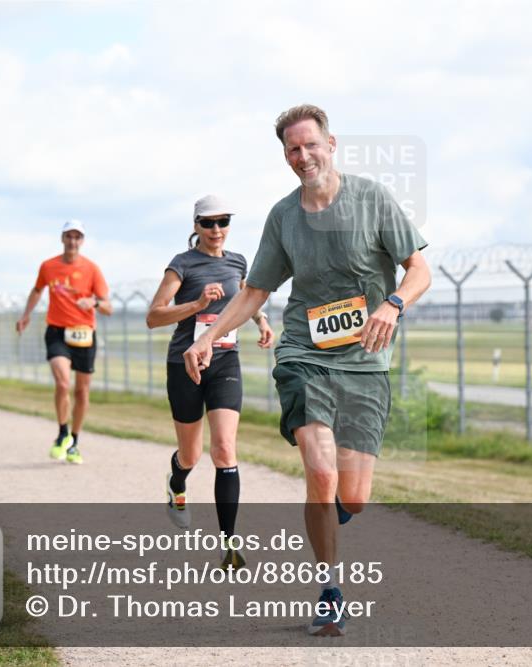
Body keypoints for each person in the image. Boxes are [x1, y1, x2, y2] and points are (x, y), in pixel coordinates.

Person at [183, 105, 431, 636]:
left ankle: (331, 513)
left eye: (310, 145)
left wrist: (392, 305)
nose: (303, 156)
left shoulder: (372, 199)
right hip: (304, 354)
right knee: (320, 474)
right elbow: (255, 291)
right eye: (292, 149)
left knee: (353, 497)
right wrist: (207, 336)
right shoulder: (283, 217)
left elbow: (419, 269)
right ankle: (329, 590)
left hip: (364, 360)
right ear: (285, 156)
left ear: (330, 144)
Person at [147, 195, 274, 570]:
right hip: (184, 364)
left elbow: (246, 298)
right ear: (196, 226)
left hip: (225, 361)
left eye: (223, 221)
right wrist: (197, 304)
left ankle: (228, 544)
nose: (216, 229)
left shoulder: (238, 261)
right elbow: (154, 317)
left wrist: (262, 321)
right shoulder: (182, 264)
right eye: (208, 222)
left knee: (224, 449)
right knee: (191, 455)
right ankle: (177, 483)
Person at [16, 220, 112, 464]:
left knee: (82, 391)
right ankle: (62, 433)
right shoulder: (48, 266)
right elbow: (37, 290)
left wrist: (94, 302)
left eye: (77, 237)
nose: (72, 241)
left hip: (84, 334)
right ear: (62, 238)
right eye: (69, 236)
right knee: (62, 382)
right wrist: (26, 315)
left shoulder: (92, 269)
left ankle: (74, 442)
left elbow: (108, 307)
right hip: (57, 332)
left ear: (82, 241)